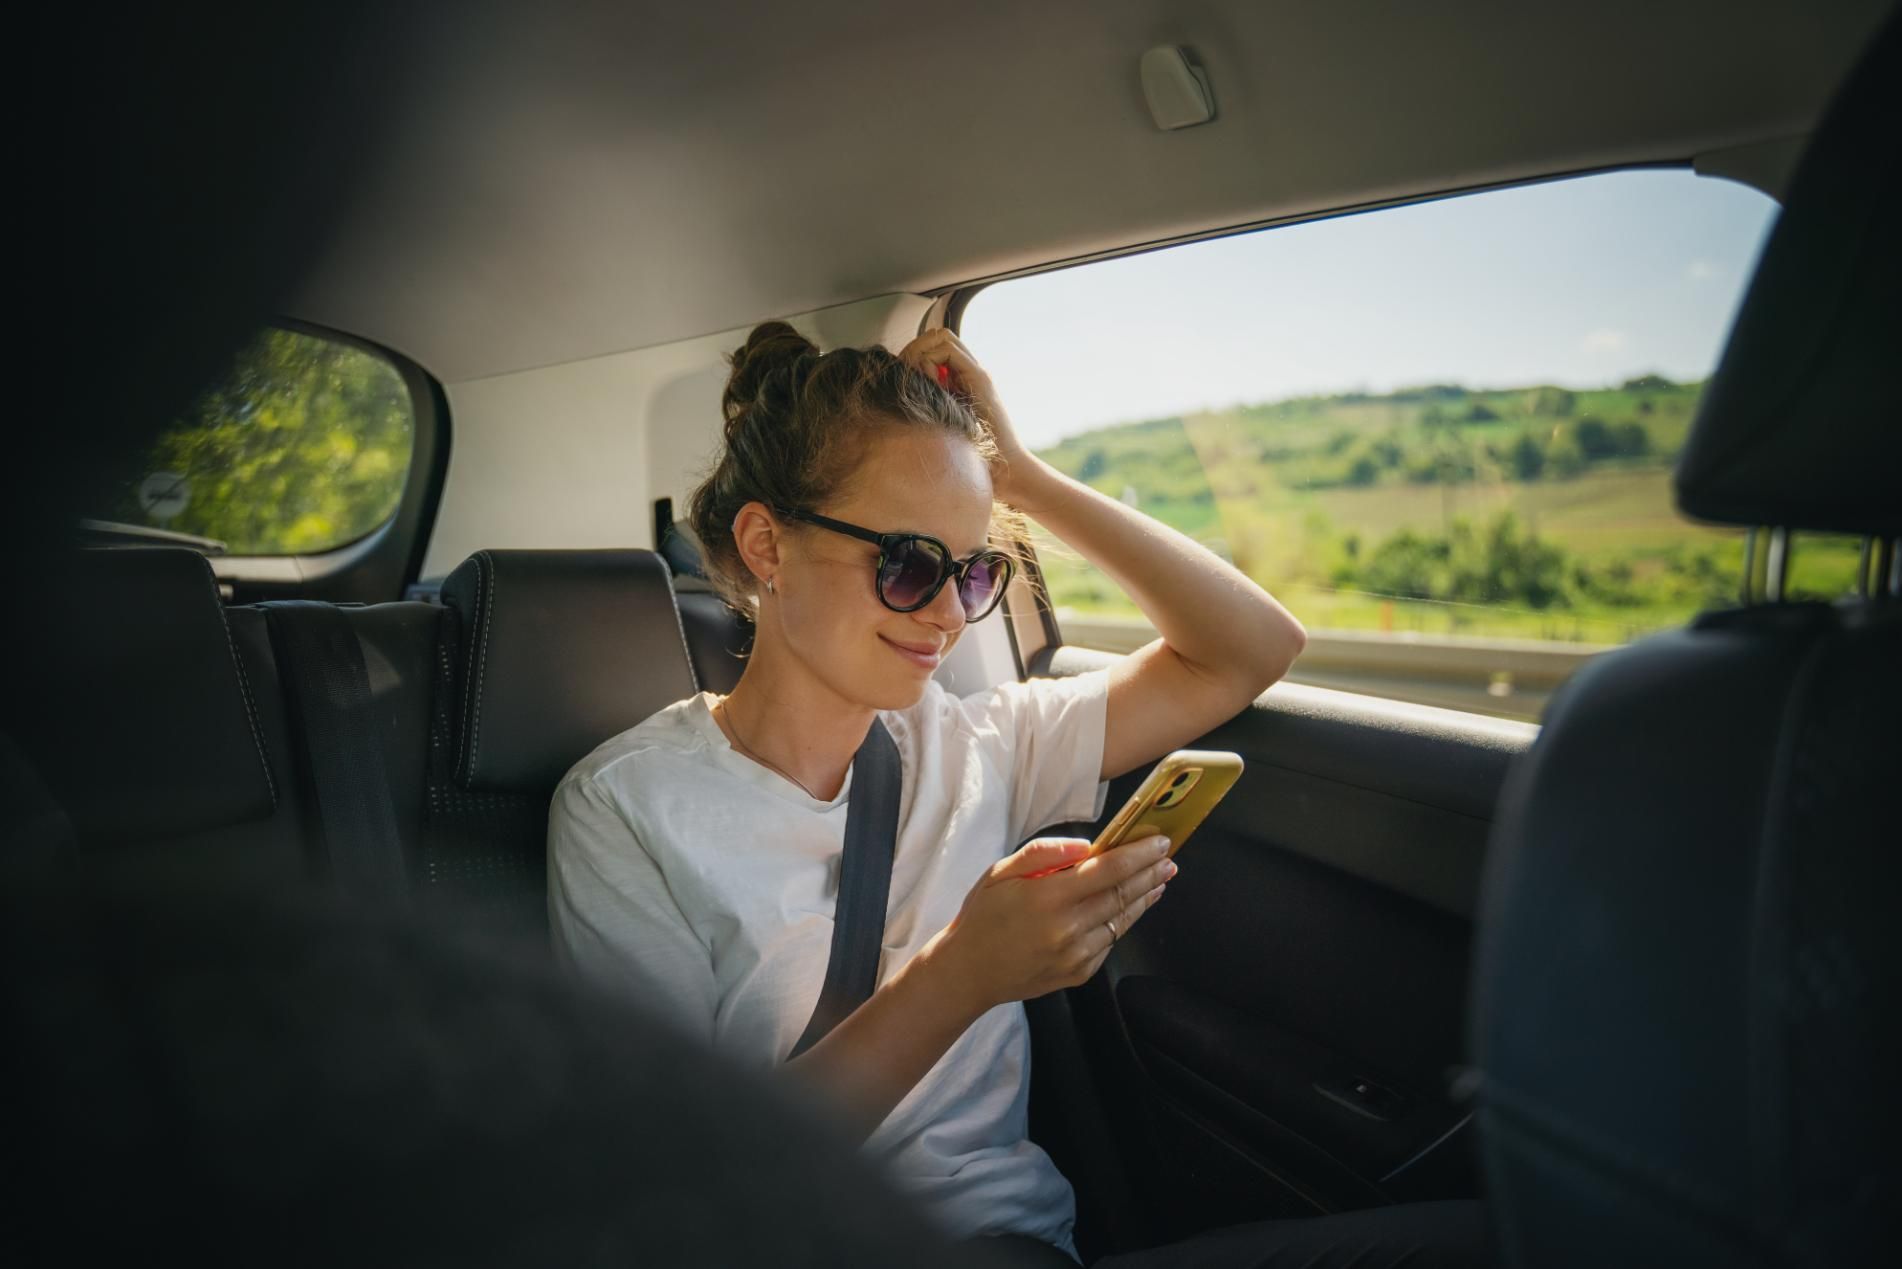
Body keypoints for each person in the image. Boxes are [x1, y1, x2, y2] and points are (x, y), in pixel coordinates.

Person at [547, 322, 1485, 1267]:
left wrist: (1021, 474)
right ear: (767, 545)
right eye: (910, 565)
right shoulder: (627, 807)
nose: (951, 614)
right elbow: (685, 1189)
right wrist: (964, 974)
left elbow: (1251, 646)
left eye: (974, 571)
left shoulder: (978, 742)